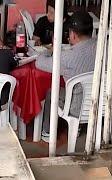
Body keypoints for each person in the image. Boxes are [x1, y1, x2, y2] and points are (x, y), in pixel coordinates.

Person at [35, 11, 96, 142]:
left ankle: (47, 132)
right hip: (99, 103)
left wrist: (49, 50)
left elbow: (39, 63)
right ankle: (78, 127)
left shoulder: (67, 57)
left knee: (52, 92)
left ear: (73, 34)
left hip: (75, 106)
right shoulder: (104, 47)